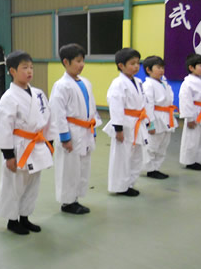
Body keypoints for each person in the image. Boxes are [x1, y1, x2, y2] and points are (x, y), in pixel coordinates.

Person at [0, 50, 57, 235]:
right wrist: (8, 155)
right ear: (12, 71)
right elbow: (3, 127)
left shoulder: (38, 94)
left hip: (37, 144)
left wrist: (49, 144)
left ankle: (25, 217)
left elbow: (48, 119)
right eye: (24, 68)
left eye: (31, 67)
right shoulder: (8, 98)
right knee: (15, 185)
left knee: (32, 184)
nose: (29, 71)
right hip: (18, 146)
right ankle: (12, 221)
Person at [49, 43, 102, 214]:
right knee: (69, 168)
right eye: (78, 61)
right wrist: (64, 137)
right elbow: (57, 113)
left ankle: (76, 198)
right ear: (66, 62)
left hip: (85, 130)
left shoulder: (85, 83)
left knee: (82, 167)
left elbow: (91, 108)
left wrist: (93, 130)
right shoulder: (61, 85)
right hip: (71, 131)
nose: (82, 65)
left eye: (83, 61)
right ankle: (67, 202)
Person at [103, 48, 149, 197]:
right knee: (122, 157)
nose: (136, 66)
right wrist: (118, 128)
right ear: (121, 65)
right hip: (125, 123)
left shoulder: (138, 82)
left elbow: (143, 102)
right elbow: (116, 106)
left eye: (137, 63)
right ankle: (119, 186)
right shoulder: (118, 83)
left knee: (136, 156)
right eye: (132, 63)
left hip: (137, 121)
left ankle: (129, 183)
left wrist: (147, 120)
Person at [142, 55, 178, 180]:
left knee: (163, 145)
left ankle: (156, 167)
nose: (161, 70)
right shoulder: (148, 85)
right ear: (148, 70)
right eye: (158, 67)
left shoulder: (164, 83)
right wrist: (150, 123)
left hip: (166, 116)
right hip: (155, 117)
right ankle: (150, 169)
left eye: (162, 67)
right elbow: (148, 105)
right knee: (152, 145)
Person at [178, 53, 201, 170]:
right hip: (194, 114)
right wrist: (189, 118)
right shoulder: (187, 83)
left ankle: (197, 160)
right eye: (200, 66)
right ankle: (189, 161)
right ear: (191, 67)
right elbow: (185, 101)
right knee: (191, 139)